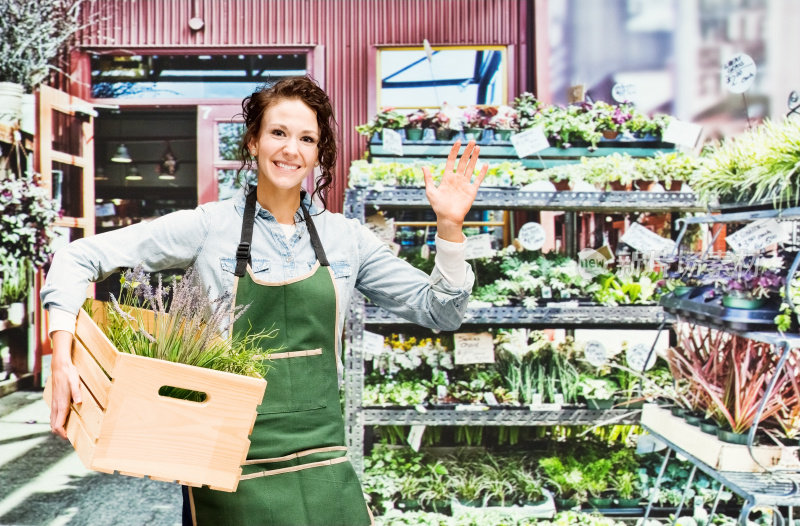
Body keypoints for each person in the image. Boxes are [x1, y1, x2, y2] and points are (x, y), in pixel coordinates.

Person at [41, 76, 488, 525]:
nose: (291, 149)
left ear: (318, 154)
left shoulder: (346, 239)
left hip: (323, 459)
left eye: (306, 138)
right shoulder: (208, 227)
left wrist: (449, 227)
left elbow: (442, 311)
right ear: (253, 141)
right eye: (278, 133)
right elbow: (77, 258)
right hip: (227, 466)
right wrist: (62, 360)